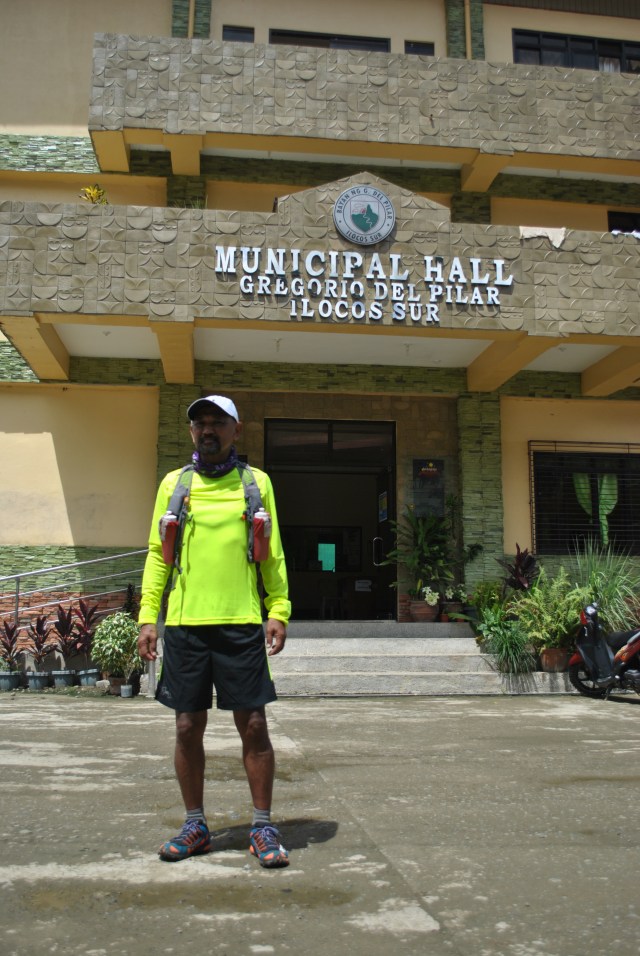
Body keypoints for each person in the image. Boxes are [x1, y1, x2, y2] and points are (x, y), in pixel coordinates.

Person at [137, 394, 291, 868]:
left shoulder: (255, 483)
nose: (208, 430)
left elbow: (273, 550)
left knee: (254, 725)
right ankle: (195, 825)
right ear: (191, 433)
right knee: (186, 726)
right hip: (185, 625)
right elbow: (157, 553)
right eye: (200, 423)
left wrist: (278, 608)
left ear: (235, 431)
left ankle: (262, 826)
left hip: (241, 623)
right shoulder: (174, 484)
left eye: (217, 423)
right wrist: (149, 616)